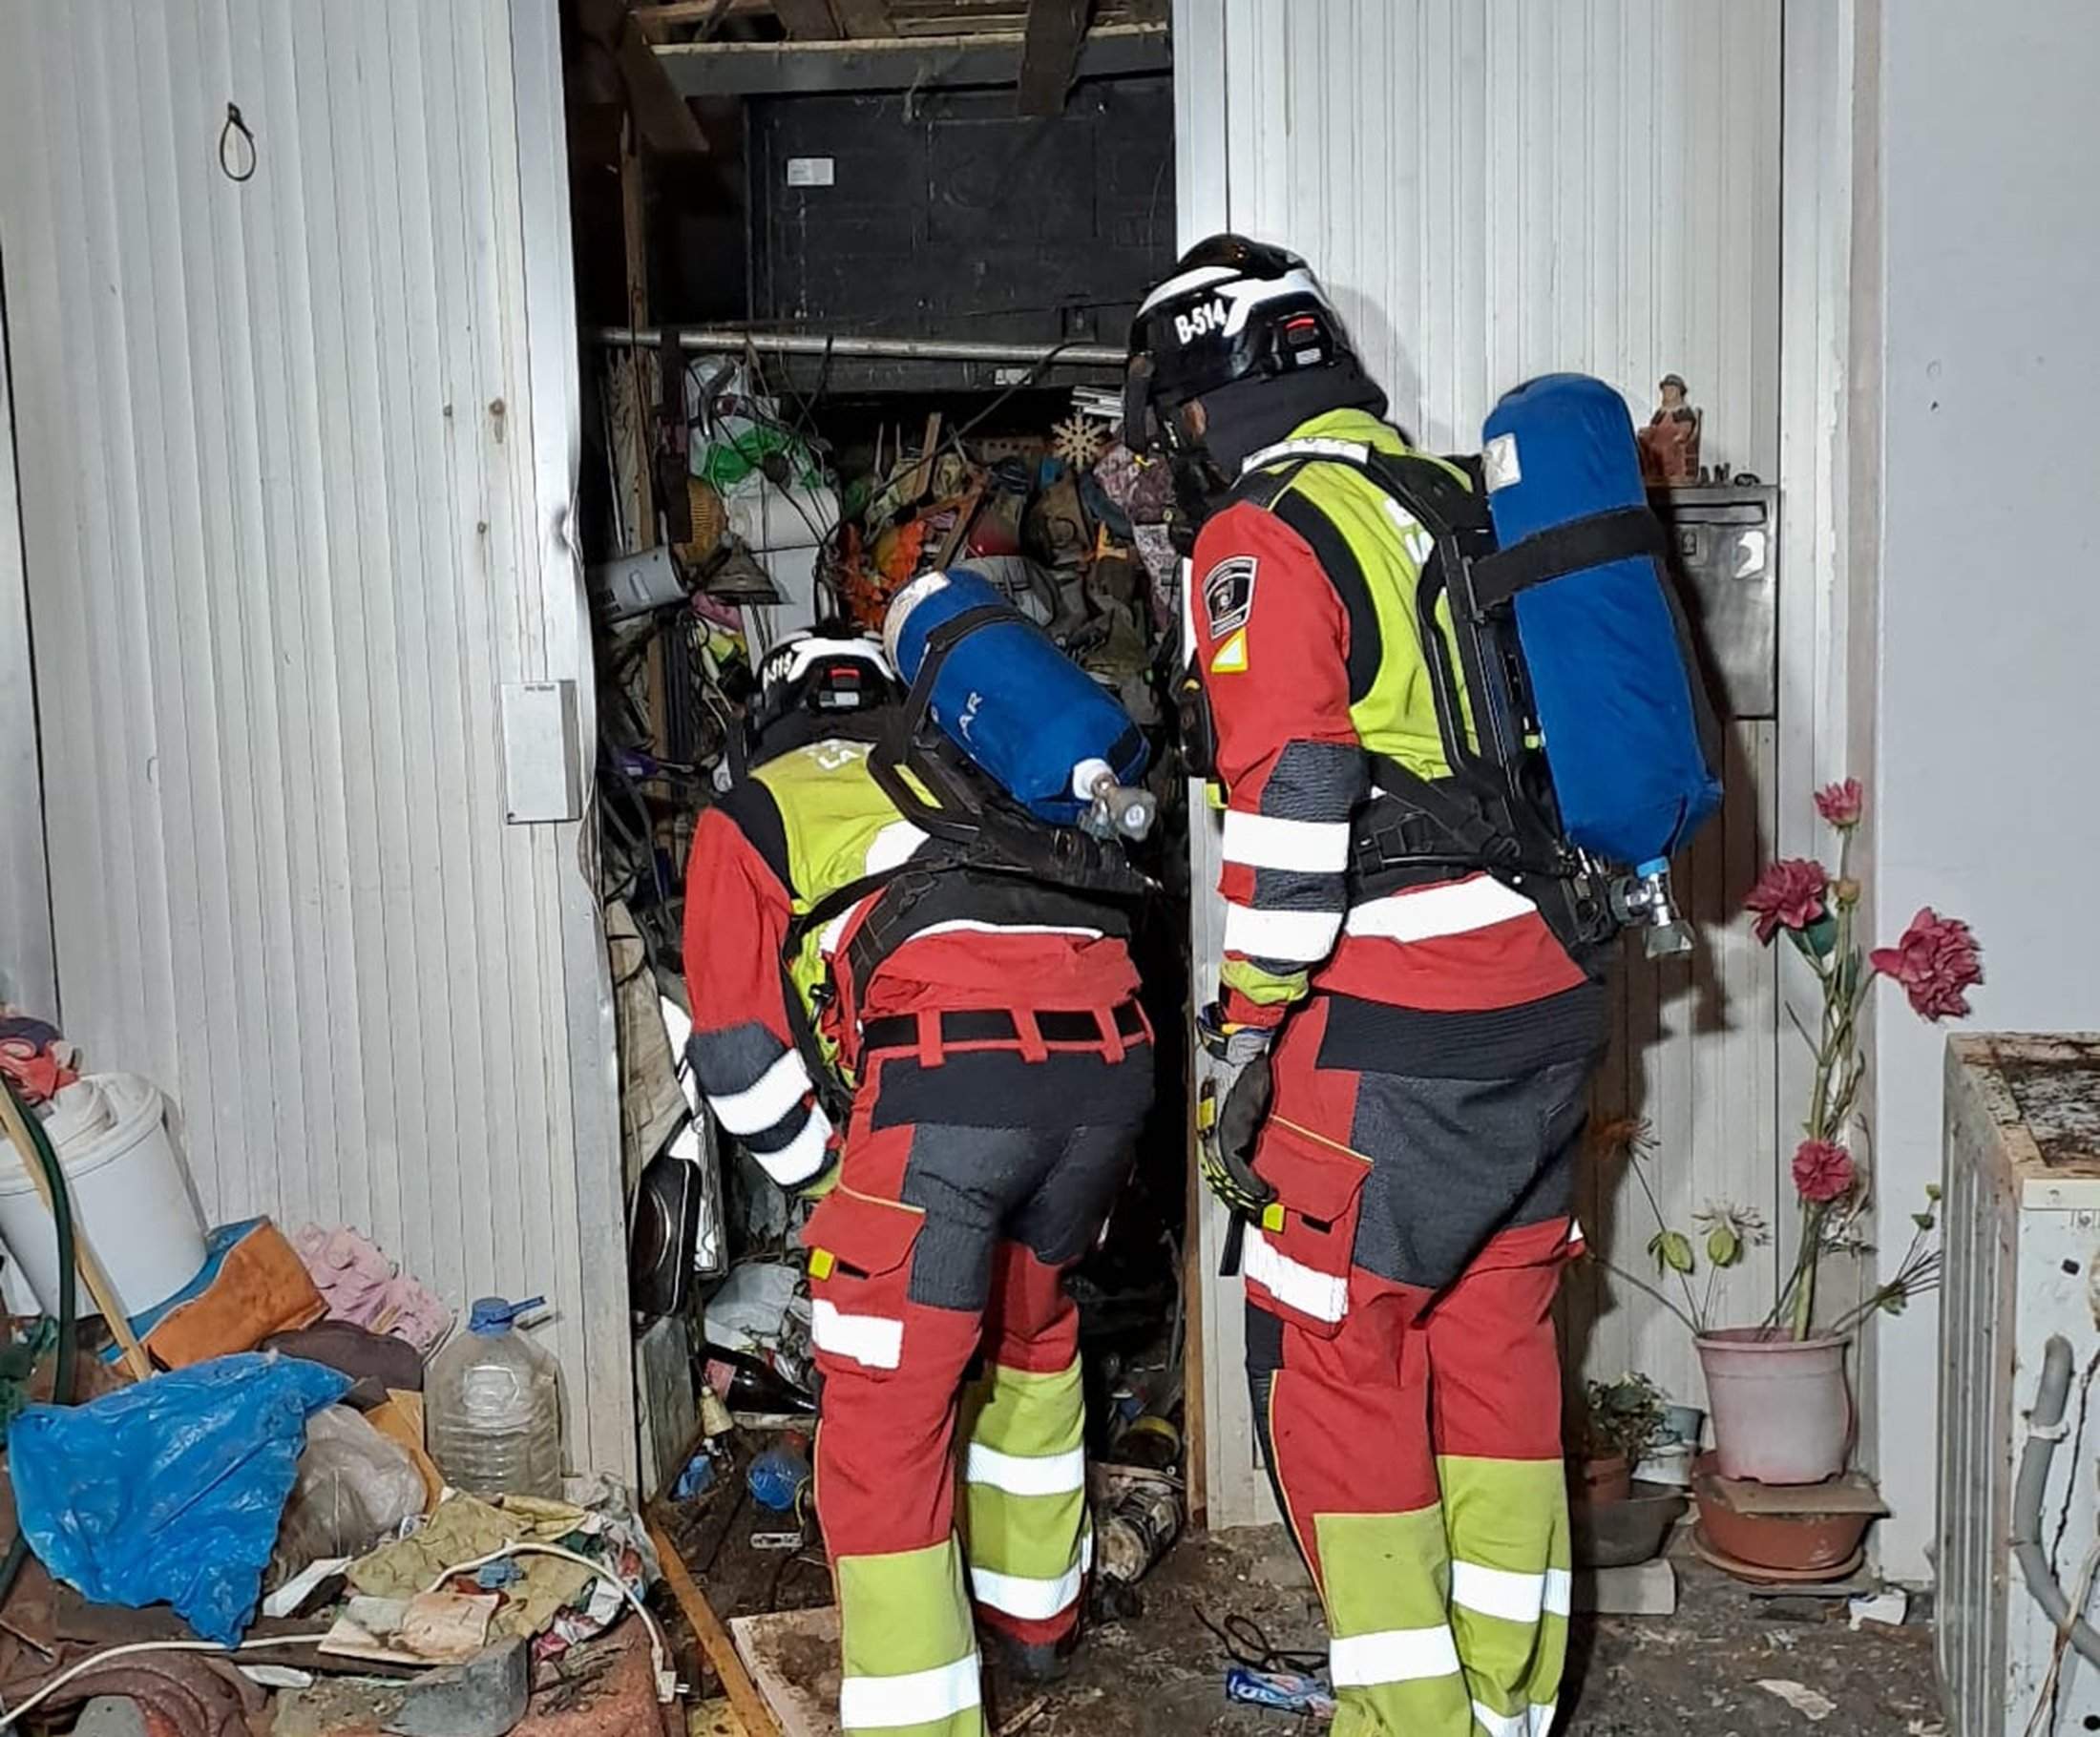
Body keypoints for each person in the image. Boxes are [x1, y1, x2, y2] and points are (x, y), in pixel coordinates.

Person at [1127, 236, 1607, 1737]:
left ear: (1204, 403)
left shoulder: (1261, 535)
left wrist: (1247, 1023)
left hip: (1390, 1028)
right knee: (1495, 1344)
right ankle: (1512, 1704)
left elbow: (1299, 789)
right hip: (1555, 998)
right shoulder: (1457, 500)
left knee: (1335, 1364)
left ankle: (1408, 1719)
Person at [681, 625, 1154, 1737]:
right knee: (1032, 1335)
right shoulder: (978, 764)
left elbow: (740, 1058)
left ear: (771, 715)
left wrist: (824, 1179)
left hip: (951, 1079)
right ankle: (1037, 1624)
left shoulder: (753, 810)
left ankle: (915, 1721)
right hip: (1112, 1066)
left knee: (887, 1408)